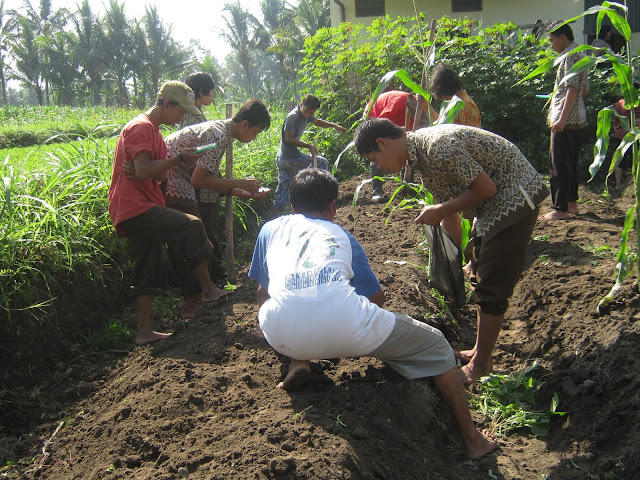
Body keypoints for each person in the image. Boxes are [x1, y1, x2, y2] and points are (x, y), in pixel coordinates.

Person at [248, 168, 497, 459]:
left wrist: (269, 330)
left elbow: (263, 294)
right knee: (436, 344)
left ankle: (298, 361)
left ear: (291, 206)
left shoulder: (270, 230)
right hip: (345, 326)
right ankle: (473, 440)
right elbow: (376, 299)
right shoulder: (341, 236)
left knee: (290, 303)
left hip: (277, 332)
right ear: (333, 206)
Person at [353, 119, 549, 385]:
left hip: (514, 195)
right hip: (494, 203)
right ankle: (479, 352)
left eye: (373, 158)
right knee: (480, 270)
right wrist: (451, 261)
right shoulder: (421, 159)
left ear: (383, 143)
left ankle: (481, 364)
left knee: (492, 283)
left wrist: (441, 210)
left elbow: (485, 189)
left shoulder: (438, 147)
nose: (377, 166)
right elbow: (451, 213)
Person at [108, 81, 227, 345]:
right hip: (136, 206)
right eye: (179, 110)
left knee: (147, 265)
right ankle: (206, 289)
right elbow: (144, 170)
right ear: (166, 104)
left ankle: (144, 331)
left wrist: (154, 168)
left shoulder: (157, 135)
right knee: (193, 225)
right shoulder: (140, 127)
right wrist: (174, 160)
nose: (182, 116)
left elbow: (155, 173)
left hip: (145, 204)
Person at [163, 99, 271, 318]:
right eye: (256, 133)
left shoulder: (222, 131)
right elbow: (199, 180)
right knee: (192, 230)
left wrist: (246, 192)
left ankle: (202, 291)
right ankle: (197, 294)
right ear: (245, 124)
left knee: (194, 230)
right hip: (169, 174)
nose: (253, 139)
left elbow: (211, 178)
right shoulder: (219, 135)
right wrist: (240, 183)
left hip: (178, 174)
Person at [542, 21, 589, 221]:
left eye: (552, 40)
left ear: (562, 37)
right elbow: (584, 90)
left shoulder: (570, 56)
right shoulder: (581, 53)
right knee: (570, 163)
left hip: (565, 120)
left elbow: (572, 89)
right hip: (578, 118)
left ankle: (560, 209)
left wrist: (561, 118)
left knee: (559, 164)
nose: (551, 45)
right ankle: (571, 205)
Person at [273, 94, 348, 212]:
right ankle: (323, 198)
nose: (308, 115)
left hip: (284, 159)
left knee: (284, 185)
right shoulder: (293, 117)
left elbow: (317, 122)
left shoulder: (306, 115)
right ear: (301, 104)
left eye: (311, 113)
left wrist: (335, 126)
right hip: (288, 159)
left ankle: (273, 216)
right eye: (307, 111)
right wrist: (308, 146)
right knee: (322, 163)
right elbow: (288, 139)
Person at [180, 72, 219, 268]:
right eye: (211, 91)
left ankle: (215, 270)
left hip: (201, 175)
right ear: (202, 92)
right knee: (206, 225)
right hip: (199, 177)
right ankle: (213, 272)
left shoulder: (194, 112)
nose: (213, 95)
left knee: (209, 223)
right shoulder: (193, 115)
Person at [366, 90, 428, 202]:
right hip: (374, 112)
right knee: (377, 149)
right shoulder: (395, 108)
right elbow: (380, 128)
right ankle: (377, 191)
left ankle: (408, 185)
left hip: (400, 120)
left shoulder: (420, 111)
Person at [609, 90, 640, 188]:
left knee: (619, 160)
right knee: (635, 159)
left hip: (619, 135)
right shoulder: (637, 103)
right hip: (634, 135)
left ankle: (618, 185)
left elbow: (615, 122)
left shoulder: (618, 104)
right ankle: (634, 184)